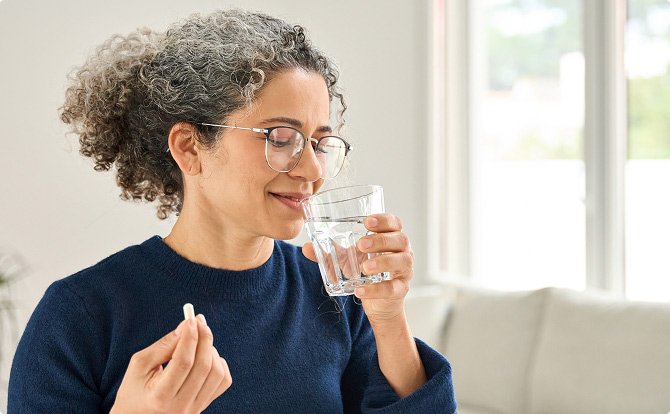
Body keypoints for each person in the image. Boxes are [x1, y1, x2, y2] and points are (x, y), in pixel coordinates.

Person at [8, 8, 457, 414]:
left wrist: (388, 316)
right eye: (280, 137)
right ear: (190, 148)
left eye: (320, 142)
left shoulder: (334, 297)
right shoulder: (80, 315)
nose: (313, 169)